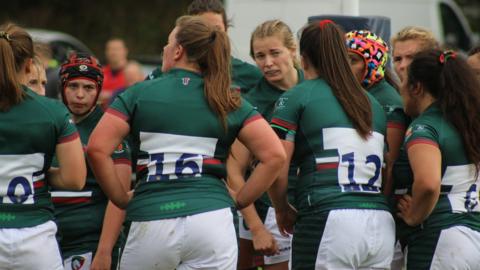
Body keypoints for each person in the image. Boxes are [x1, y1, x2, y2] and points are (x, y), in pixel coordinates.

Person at [87, 16, 286, 269]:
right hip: (212, 221)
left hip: (152, 218)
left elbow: (96, 148)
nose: (164, 49)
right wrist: (240, 200)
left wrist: (120, 197)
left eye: (168, 43)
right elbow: (275, 156)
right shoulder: (226, 98)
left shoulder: (139, 93)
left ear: (178, 51)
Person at [269, 20, 395, 269]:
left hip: (329, 217)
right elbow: (386, 168)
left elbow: (276, 163)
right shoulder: (373, 103)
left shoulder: (297, 95)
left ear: (303, 59)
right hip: (380, 222)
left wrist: (281, 209)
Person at [0, 23, 86, 270]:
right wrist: (35, 173)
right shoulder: (52, 112)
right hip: (34, 237)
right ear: (29, 66)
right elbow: (75, 179)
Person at [393, 49, 480, 269]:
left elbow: (429, 183)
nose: (400, 88)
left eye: (404, 81)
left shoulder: (425, 126)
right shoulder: (469, 123)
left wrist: (414, 216)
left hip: (442, 239)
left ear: (417, 87)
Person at [228, 19, 303, 270]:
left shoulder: (316, 87)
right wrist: (257, 227)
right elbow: (234, 172)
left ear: (293, 50)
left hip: (315, 205)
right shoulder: (251, 104)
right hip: (269, 211)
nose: (267, 63)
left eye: (275, 53)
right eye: (260, 56)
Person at [50, 52, 131, 270]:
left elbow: (119, 197)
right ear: (62, 87)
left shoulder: (108, 129)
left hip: (89, 244)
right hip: (45, 241)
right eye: (73, 86)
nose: (79, 95)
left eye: (88, 88)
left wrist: (104, 252)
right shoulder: (50, 122)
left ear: (98, 92)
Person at [146, 0, 263, 94]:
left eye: (217, 30)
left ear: (226, 30)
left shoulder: (251, 75)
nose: (210, 36)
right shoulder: (165, 71)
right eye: (202, 30)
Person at [345, 30, 408, 196]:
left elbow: (389, 164)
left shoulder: (389, 103)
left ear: (371, 64)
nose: (344, 66)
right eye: (342, 60)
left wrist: (381, 206)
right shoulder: (356, 94)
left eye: (352, 60)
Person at [100, 38, 129, 105]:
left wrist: (111, 95)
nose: (113, 52)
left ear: (125, 51)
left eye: (117, 49)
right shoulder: (100, 72)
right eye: (109, 49)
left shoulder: (133, 73)